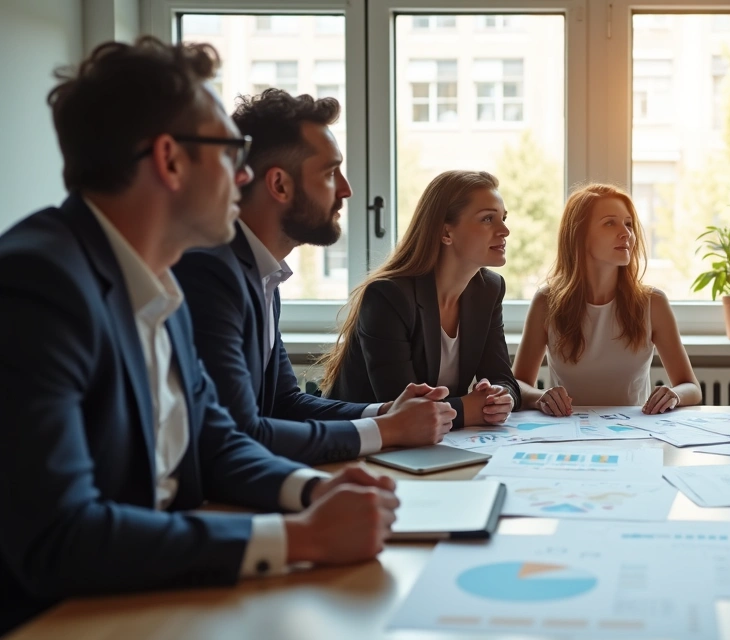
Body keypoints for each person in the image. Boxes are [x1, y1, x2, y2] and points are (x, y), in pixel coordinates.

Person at [0, 38, 405, 634]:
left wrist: (311, 494)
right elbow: (60, 536)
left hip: (157, 592)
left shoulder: (160, 278)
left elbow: (215, 442)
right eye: (230, 152)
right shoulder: (39, 283)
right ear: (169, 161)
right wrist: (299, 535)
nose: (245, 175)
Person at [172, 89, 454, 465]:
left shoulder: (262, 272)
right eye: (329, 172)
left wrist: (386, 412)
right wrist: (387, 431)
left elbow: (285, 402)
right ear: (280, 185)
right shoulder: (211, 272)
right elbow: (241, 431)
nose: (346, 189)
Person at [320, 170, 520, 428]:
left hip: (432, 442)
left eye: (503, 218)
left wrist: (501, 399)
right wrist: (469, 408)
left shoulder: (489, 289)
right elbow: (401, 408)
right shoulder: (388, 296)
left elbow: (503, 379)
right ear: (446, 232)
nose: (505, 230)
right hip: (360, 445)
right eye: (487, 219)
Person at [513, 184, 701, 415]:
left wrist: (674, 395)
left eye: (629, 224)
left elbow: (691, 387)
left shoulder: (652, 303)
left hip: (633, 435)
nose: (626, 233)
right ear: (579, 234)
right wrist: (541, 398)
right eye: (610, 223)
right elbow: (517, 385)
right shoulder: (546, 302)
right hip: (568, 435)